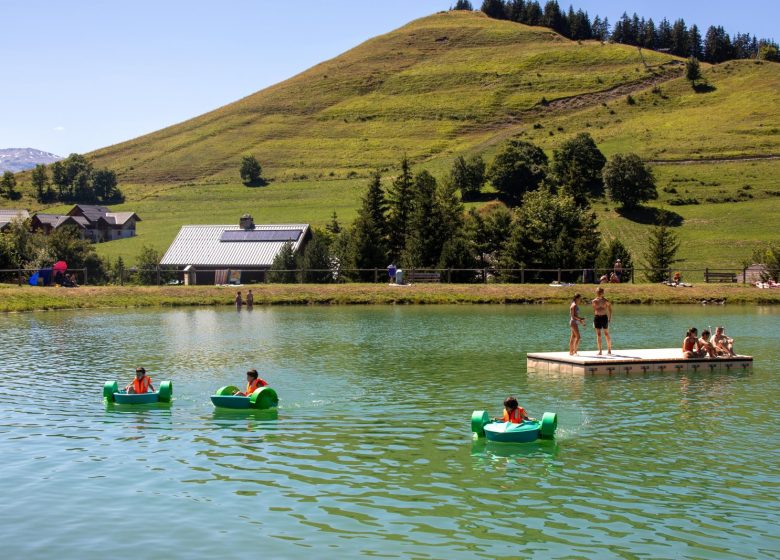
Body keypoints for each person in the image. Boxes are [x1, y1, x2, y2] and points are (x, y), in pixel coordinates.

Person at [591, 287, 612, 355]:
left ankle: (609, 349)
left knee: (606, 334)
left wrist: (609, 318)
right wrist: (595, 318)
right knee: (599, 335)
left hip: (604, 317)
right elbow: (594, 310)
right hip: (597, 318)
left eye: (600, 292)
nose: (599, 293)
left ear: (602, 293)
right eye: (598, 292)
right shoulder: (594, 301)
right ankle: (600, 351)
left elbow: (610, 309)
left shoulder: (606, 300)